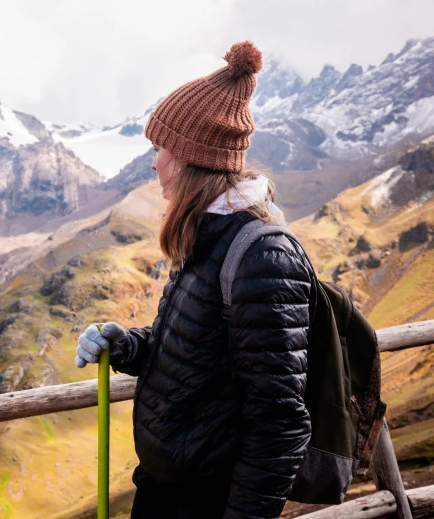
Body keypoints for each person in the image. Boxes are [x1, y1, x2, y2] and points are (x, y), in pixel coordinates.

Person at [75, 40, 317, 519]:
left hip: (206, 501)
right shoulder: (207, 234)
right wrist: (126, 346)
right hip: (166, 489)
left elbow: (279, 421)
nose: (153, 162)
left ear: (189, 158)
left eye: (160, 148)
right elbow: (195, 360)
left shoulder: (262, 256)